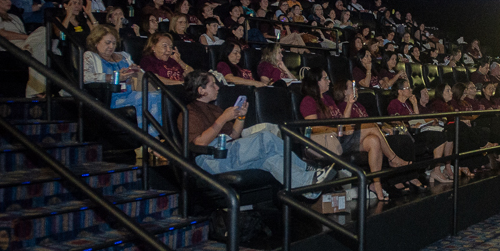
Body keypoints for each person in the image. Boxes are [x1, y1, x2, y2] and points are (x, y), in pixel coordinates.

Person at [181, 72, 332, 194]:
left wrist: (241, 117)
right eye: (212, 85)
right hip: (212, 157)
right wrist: (223, 118)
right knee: (265, 137)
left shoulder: (215, 109)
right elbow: (200, 143)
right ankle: (308, 168)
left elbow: (234, 135)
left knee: (271, 159)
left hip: (230, 151)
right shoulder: (189, 112)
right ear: (201, 90)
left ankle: (310, 186)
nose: (217, 87)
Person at [299, 68, 407, 202]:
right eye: (325, 78)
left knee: (373, 140)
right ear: (316, 82)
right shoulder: (308, 101)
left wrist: (349, 104)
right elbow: (314, 128)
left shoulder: (328, 98)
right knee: (371, 126)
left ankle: (376, 185)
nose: (329, 81)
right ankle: (393, 158)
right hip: (328, 141)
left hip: (341, 137)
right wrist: (337, 129)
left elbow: (342, 120)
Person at [82, 25, 162, 134]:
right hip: (112, 97)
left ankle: (155, 135)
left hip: (131, 91)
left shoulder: (124, 55)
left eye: (114, 43)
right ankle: (148, 137)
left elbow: (139, 75)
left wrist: (134, 71)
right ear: (96, 42)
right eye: (107, 42)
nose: (111, 46)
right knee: (145, 98)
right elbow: (86, 77)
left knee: (157, 94)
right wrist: (114, 77)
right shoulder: (90, 56)